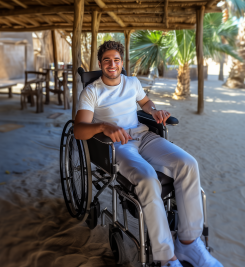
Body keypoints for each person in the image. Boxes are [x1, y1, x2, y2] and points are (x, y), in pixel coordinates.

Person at [74, 41, 223, 267]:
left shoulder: (132, 82)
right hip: (118, 144)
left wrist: (154, 111)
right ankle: (166, 257)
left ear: (122, 63)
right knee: (147, 178)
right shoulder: (92, 92)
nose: (112, 64)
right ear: (100, 63)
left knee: (188, 163)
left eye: (116, 60)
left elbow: (145, 103)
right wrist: (103, 126)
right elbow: (79, 129)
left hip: (143, 136)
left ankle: (189, 242)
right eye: (107, 60)